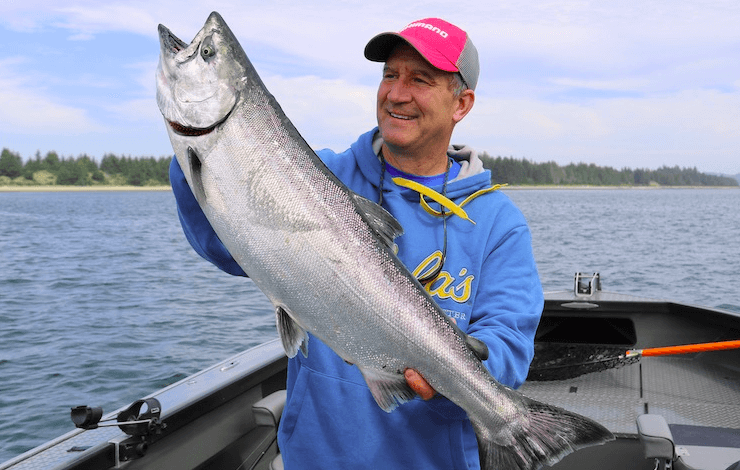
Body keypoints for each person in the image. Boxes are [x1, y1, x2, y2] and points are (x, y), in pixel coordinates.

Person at [170, 17, 544, 470]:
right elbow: (226, 247)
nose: (397, 93)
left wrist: (453, 379)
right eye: (390, 74)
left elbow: (506, 348)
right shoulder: (313, 177)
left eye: (420, 80)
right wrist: (203, 157)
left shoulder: (498, 223)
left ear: (461, 103)